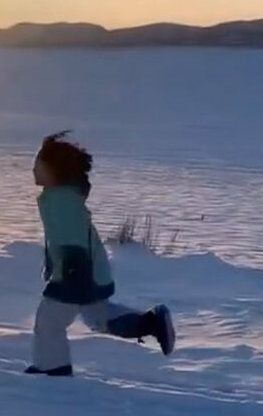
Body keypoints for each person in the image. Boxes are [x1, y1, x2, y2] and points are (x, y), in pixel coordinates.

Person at [26, 131, 175, 376]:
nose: (33, 170)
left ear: (54, 170)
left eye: (38, 165)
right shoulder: (59, 197)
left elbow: (72, 238)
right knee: (98, 317)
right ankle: (151, 322)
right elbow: (62, 237)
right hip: (87, 269)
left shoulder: (61, 200)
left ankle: (53, 369)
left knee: (49, 319)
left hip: (78, 270)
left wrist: (69, 271)